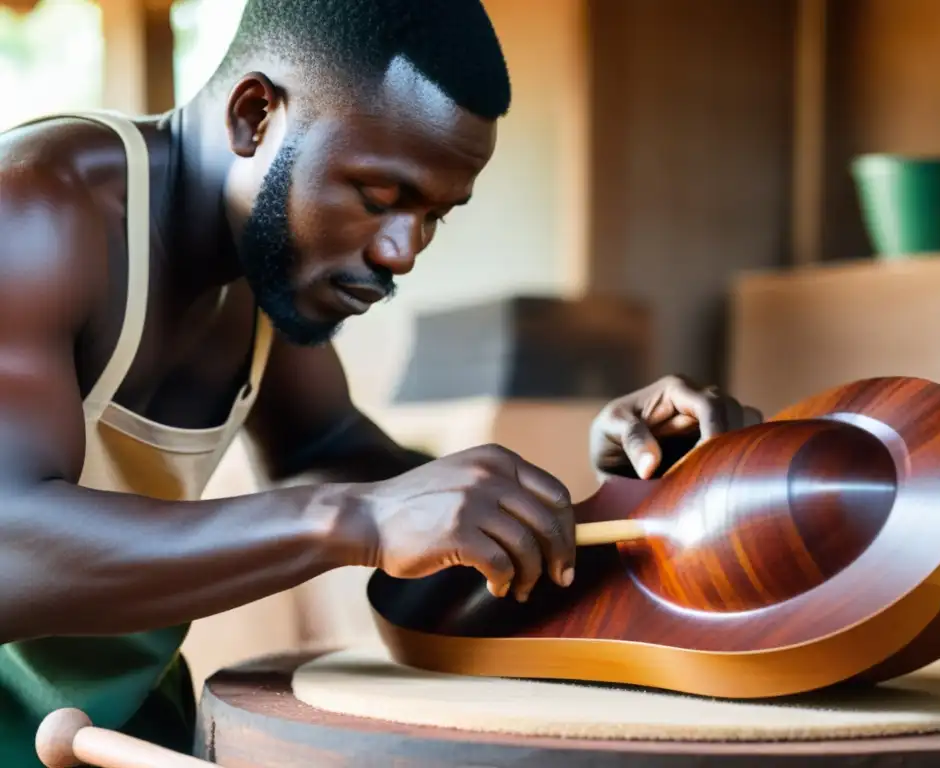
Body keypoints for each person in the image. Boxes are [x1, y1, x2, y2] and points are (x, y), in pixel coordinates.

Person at [0, 0, 759, 761]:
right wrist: (353, 521)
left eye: (436, 215)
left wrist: (593, 504)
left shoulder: (268, 271)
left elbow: (337, 455)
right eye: (378, 198)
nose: (402, 252)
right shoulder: (36, 212)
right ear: (255, 115)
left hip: (121, 723)